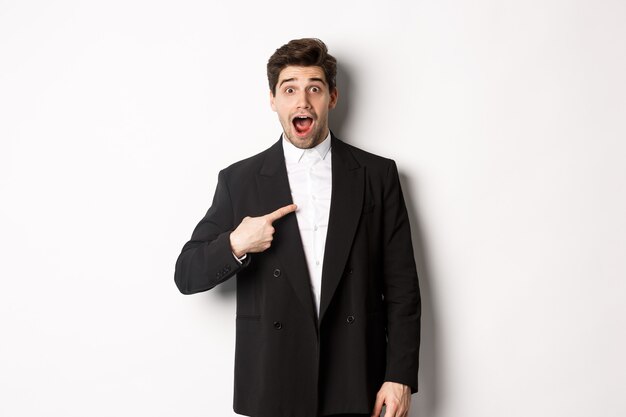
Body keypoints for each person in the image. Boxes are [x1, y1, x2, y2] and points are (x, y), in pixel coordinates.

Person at [174, 38, 421, 417]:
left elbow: (403, 286)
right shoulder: (240, 180)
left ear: (332, 97)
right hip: (274, 381)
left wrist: (399, 376)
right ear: (273, 99)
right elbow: (186, 274)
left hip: (357, 380)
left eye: (314, 88)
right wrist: (238, 242)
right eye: (289, 89)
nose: (302, 101)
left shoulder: (377, 175)